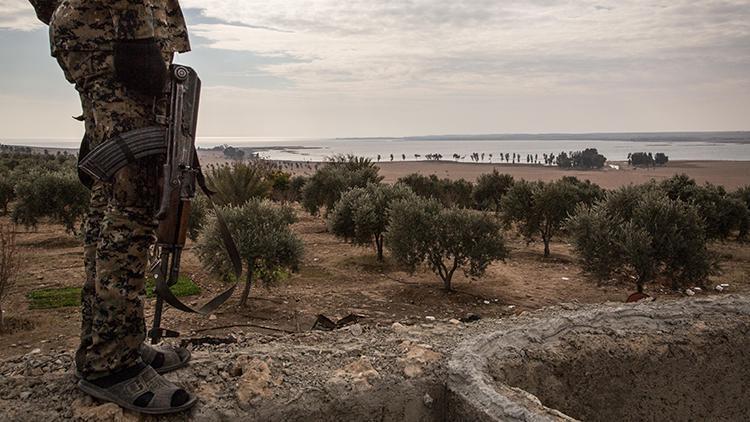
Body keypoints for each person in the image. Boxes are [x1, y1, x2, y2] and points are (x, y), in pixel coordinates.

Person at [29, 0, 196, 414]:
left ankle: (116, 339)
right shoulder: (126, 33)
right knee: (134, 202)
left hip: (104, 39)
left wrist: (64, 13)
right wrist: (135, 36)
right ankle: (110, 365)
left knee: (111, 197)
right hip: (120, 40)